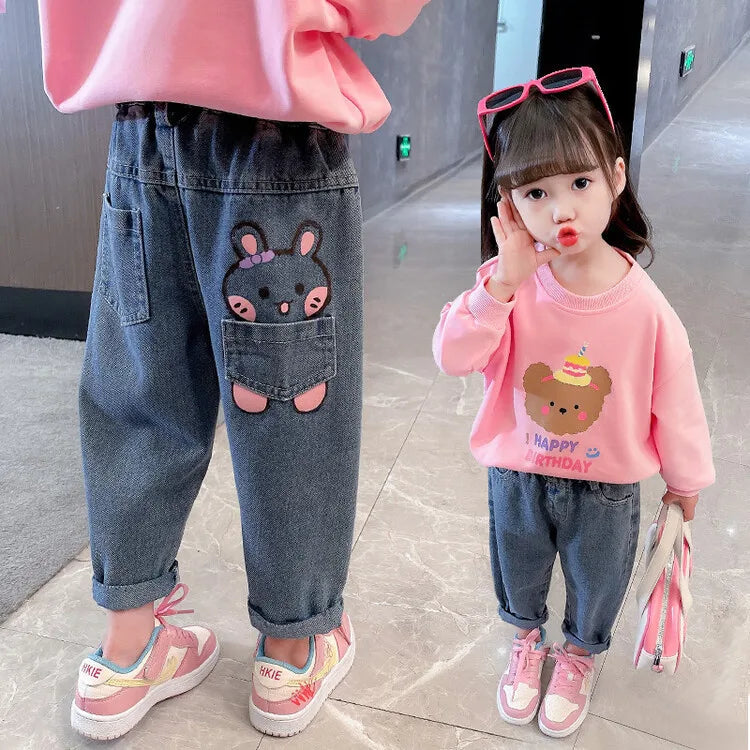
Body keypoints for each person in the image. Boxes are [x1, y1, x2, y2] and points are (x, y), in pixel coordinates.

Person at [36, 0, 429, 740]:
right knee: (290, 410)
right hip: (274, 130)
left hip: (142, 125)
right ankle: (290, 652)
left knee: (138, 393)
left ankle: (126, 653)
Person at [432, 68, 714, 739]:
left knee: (598, 582)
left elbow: (676, 396)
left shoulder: (645, 307)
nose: (562, 210)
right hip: (518, 473)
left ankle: (579, 656)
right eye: (536, 192)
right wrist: (501, 285)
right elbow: (453, 356)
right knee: (518, 570)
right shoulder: (507, 286)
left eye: (580, 184)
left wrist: (685, 482)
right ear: (508, 203)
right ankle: (527, 641)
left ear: (616, 178)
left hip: (607, 487)